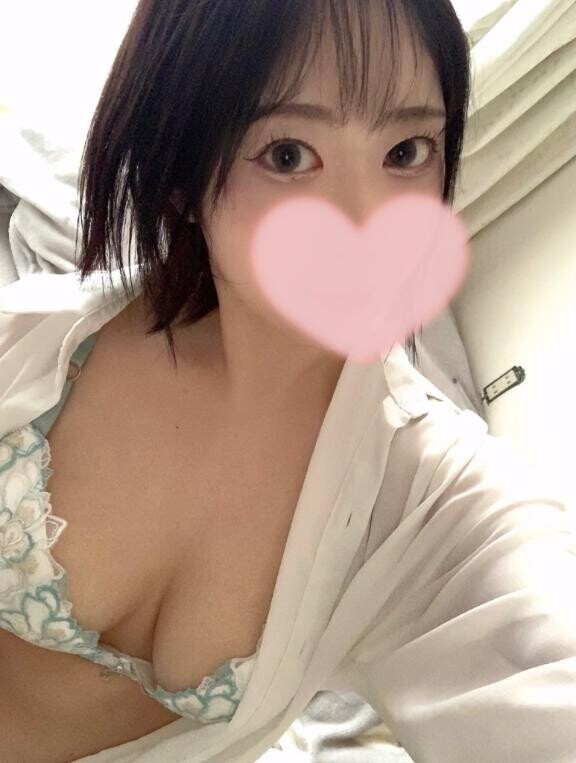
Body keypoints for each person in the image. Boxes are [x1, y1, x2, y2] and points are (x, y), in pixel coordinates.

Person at [1, 0, 575, 761]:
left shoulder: (425, 497)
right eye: (288, 155)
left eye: (406, 151)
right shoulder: (32, 344)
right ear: (181, 177)